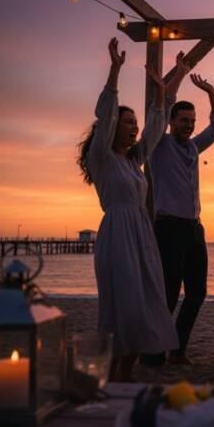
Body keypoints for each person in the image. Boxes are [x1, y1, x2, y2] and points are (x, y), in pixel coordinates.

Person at [76, 38, 184, 381]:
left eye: (133, 122)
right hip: (118, 235)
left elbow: (155, 126)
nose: (133, 126)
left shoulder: (134, 160)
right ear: (112, 129)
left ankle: (125, 371)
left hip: (141, 234)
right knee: (122, 304)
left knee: (146, 301)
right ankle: (114, 373)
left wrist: (168, 87)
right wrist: (115, 69)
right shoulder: (102, 159)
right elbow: (106, 113)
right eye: (127, 122)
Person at [150, 70, 214, 365]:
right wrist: (179, 74)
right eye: (184, 120)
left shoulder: (194, 146)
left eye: (192, 121)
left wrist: (210, 91)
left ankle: (178, 349)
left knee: (197, 292)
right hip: (168, 226)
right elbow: (164, 103)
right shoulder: (159, 144)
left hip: (195, 228)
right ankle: (154, 352)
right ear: (171, 122)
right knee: (168, 294)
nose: (189, 125)